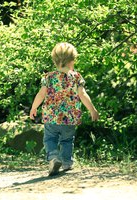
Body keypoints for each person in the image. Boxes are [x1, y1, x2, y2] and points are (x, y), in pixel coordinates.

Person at [29, 42, 99, 176]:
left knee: (50, 139)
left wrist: (34, 107)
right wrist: (92, 110)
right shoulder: (77, 77)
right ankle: (66, 162)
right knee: (67, 140)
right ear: (72, 60)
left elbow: (41, 94)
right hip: (70, 118)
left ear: (55, 61)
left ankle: (54, 157)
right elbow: (82, 94)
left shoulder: (48, 77)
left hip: (51, 117)